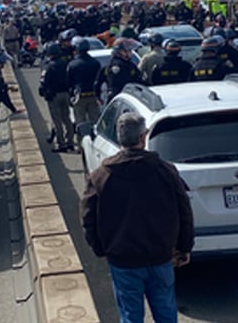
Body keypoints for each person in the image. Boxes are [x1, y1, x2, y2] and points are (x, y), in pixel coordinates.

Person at [80, 113, 194, 323]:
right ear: (143, 137)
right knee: (166, 312)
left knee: (131, 316)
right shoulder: (166, 171)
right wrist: (184, 246)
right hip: (160, 255)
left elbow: (88, 217)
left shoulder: (101, 175)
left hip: (123, 259)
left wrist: (100, 248)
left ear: (120, 137)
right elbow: (184, 210)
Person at [38, 43, 72, 152]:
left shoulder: (49, 66)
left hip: (54, 96)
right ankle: (70, 142)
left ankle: (61, 144)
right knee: (67, 118)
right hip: (65, 94)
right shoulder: (66, 64)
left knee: (57, 120)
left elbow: (43, 82)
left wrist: (43, 91)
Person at [67, 37, 102, 127]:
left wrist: (71, 96)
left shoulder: (73, 65)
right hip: (93, 96)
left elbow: (69, 83)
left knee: (81, 123)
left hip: (80, 97)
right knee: (95, 123)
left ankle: (82, 139)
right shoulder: (95, 63)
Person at [94, 38, 142, 102]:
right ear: (120, 52)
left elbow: (97, 84)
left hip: (119, 100)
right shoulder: (124, 66)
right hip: (124, 100)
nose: (131, 53)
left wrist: (98, 97)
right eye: (128, 51)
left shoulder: (109, 66)